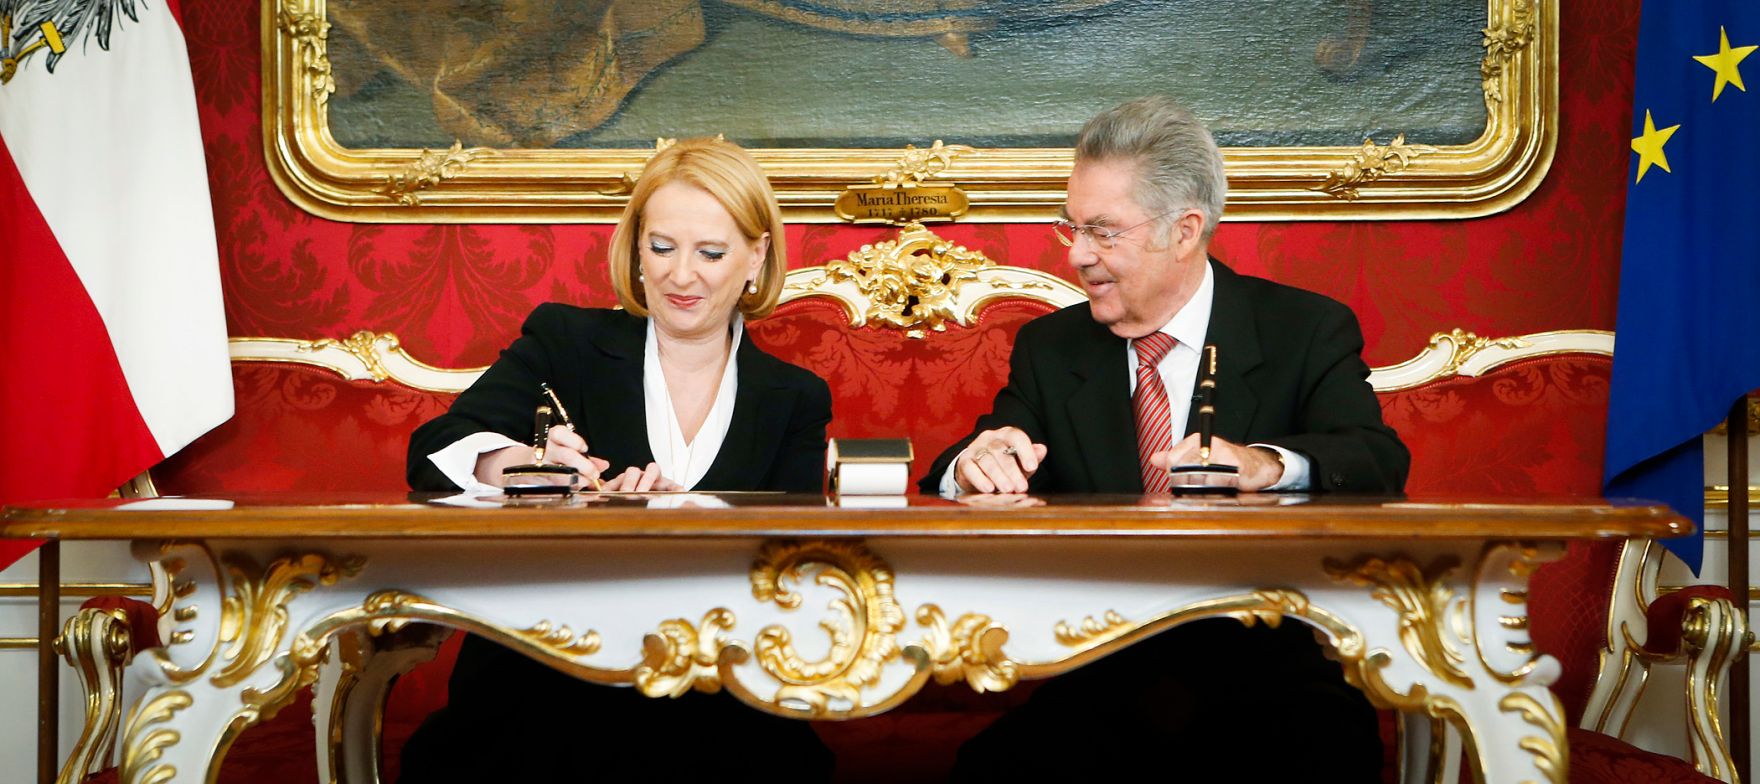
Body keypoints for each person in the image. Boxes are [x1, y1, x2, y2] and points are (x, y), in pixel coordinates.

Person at [924, 97, 1409, 779]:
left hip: (1269, 676)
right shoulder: (1050, 347)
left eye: (1102, 232)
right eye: (1071, 228)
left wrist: (1266, 465)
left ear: (1184, 231)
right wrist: (972, 464)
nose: (1078, 256)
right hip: (1099, 674)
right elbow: (975, 454)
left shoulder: (1303, 330)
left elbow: (1377, 460)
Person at [401, 137, 833, 781]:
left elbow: (794, 571)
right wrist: (520, 466)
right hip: (548, 675)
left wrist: (687, 516)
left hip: (723, 691)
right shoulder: (565, 342)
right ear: (635, 250)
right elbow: (431, 452)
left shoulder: (795, 397)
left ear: (756, 256)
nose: (680, 275)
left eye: (710, 253)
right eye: (661, 247)